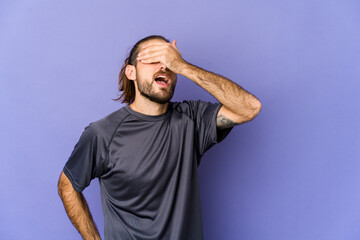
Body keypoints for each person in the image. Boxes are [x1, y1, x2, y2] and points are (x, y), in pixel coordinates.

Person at [57, 35, 261, 240]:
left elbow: (249, 108)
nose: (163, 66)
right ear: (131, 72)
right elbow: (67, 185)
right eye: (153, 58)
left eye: (168, 60)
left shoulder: (192, 119)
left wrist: (182, 66)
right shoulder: (102, 134)